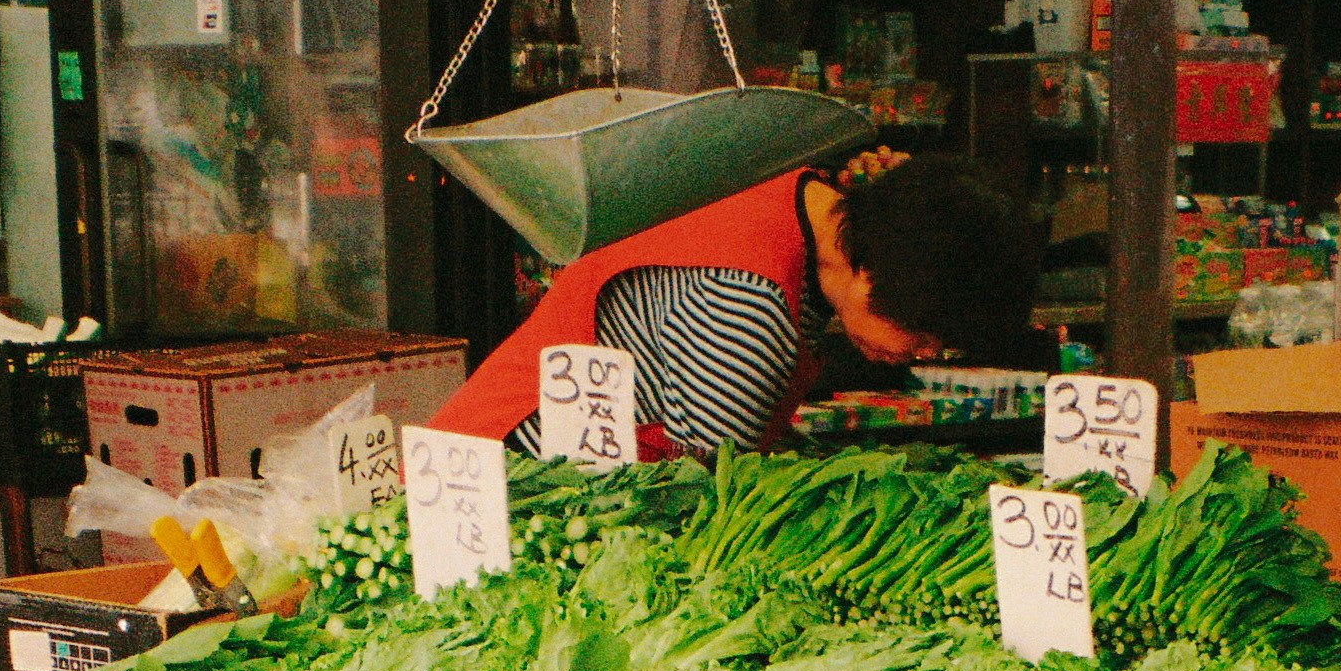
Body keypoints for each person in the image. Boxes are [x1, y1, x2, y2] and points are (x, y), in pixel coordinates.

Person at [431, 152, 1042, 460]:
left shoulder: (806, 195)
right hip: (505, 498)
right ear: (870, 270)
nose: (923, 355)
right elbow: (712, 511)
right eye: (926, 334)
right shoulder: (748, 312)